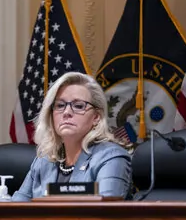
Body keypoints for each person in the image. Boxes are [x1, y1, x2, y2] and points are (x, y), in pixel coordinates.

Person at [12, 72, 131, 201]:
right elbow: (15, 210)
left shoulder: (110, 158)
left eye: (79, 106)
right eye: (60, 105)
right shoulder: (44, 161)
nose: (67, 112)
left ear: (96, 117)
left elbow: (103, 214)